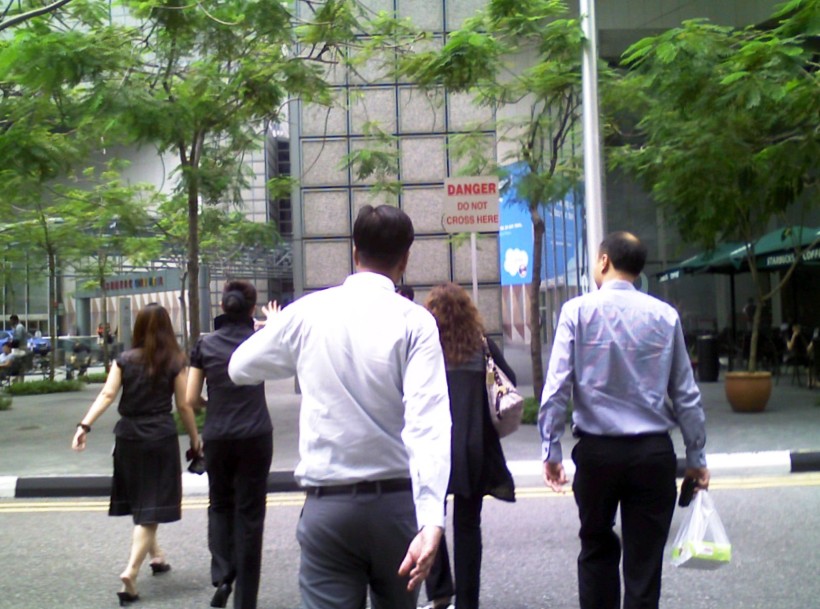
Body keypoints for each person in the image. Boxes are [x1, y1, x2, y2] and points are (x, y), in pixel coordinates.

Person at [228, 204, 452, 609]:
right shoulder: (416, 322)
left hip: (328, 507)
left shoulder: (307, 313)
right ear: (405, 259)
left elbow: (239, 367)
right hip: (396, 507)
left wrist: (295, 351)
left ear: (354, 252)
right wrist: (432, 520)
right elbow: (429, 424)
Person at [539, 231, 709, 609]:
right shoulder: (665, 316)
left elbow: (556, 388)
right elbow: (686, 394)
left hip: (597, 453)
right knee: (644, 564)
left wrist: (551, 449)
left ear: (604, 261)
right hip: (652, 454)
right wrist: (696, 457)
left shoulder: (576, 312)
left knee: (595, 548)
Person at [72, 304, 200, 607]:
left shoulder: (124, 360)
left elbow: (107, 395)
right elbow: (184, 406)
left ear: (138, 327)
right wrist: (195, 439)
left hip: (128, 436)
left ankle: (158, 556)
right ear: (168, 328)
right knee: (151, 508)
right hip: (159, 437)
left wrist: (84, 426)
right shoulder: (175, 361)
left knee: (143, 500)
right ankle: (130, 573)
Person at [421, 282, 516, 609]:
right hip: (473, 446)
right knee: (468, 526)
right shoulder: (481, 344)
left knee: (427, 517)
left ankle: (439, 591)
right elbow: (509, 378)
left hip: (434, 445)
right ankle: (467, 603)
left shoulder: (426, 347)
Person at [186, 281, 275, 609]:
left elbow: (190, 398)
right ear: (251, 308)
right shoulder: (258, 340)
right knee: (250, 515)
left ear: (222, 306)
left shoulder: (204, 344)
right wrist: (272, 324)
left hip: (218, 435)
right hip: (256, 435)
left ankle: (224, 574)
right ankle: (245, 600)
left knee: (220, 505)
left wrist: (214, 405)